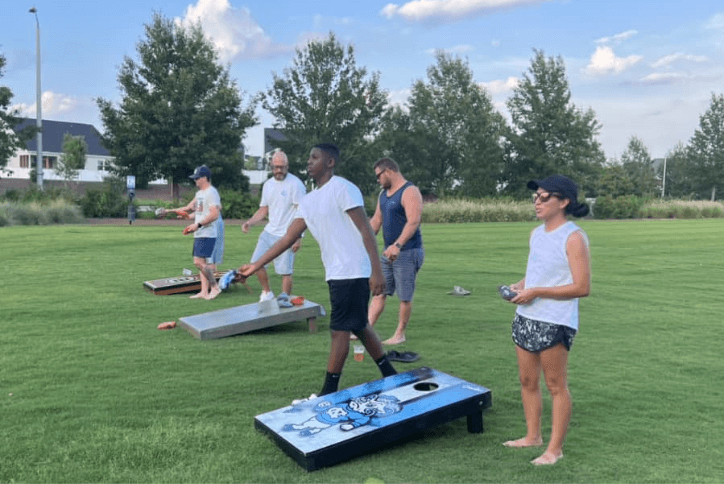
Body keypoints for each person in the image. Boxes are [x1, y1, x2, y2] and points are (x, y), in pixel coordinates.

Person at [239, 143, 397, 401]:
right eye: (308, 157)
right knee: (358, 324)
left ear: (330, 162)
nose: (308, 161)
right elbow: (288, 238)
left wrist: (377, 271)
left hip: (353, 270)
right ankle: (390, 374)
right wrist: (255, 266)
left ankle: (328, 392)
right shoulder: (309, 200)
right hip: (337, 272)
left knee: (339, 330)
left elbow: (366, 230)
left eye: (315, 157)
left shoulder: (343, 188)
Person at [502, 174, 591, 466]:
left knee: (555, 385)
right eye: (535, 197)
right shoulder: (536, 233)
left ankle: (555, 449)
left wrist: (537, 291)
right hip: (526, 315)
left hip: (555, 320)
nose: (537, 202)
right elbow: (538, 274)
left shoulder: (574, 237)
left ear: (564, 202)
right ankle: (533, 437)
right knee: (527, 381)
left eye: (544, 197)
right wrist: (520, 285)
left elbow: (581, 287)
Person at [363, 157, 424, 345]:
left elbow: (413, 221)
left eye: (378, 176)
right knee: (379, 291)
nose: (378, 180)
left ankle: (400, 333)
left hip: (407, 252)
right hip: (387, 253)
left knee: (404, 296)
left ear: (388, 171)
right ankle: (365, 330)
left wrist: (397, 245)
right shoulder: (384, 195)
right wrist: (360, 242)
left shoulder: (410, 191)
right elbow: (375, 222)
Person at [241, 151, 306, 302]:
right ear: (271, 166)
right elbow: (263, 209)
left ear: (287, 166)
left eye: (282, 167)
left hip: (287, 235)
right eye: (276, 167)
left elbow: (302, 212)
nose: (279, 171)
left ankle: (285, 299)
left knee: (285, 272)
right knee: (256, 263)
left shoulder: (296, 184)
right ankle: (267, 293)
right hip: (269, 232)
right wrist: (249, 222)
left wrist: (298, 237)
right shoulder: (268, 185)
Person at [163, 165, 223, 300]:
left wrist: (198, 224)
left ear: (204, 178)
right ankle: (204, 291)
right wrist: (171, 212)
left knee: (198, 262)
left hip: (207, 233)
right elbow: (190, 209)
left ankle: (214, 287)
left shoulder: (211, 193)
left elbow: (214, 214)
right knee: (200, 262)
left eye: (197, 178)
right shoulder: (200, 194)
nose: (195, 181)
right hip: (200, 232)